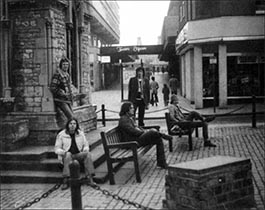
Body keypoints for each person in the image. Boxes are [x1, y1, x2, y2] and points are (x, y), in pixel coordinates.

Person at [118, 102, 173, 169]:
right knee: (152, 131)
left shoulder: (129, 118)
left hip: (136, 139)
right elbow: (132, 131)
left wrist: (145, 132)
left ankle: (161, 163)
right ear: (126, 109)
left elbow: (137, 128)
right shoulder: (123, 119)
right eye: (131, 108)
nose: (133, 109)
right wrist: (144, 133)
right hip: (132, 142)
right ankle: (163, 135)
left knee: (158, 139)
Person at [55, 118, 95, 190]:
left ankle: (90, 178)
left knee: (88, 154)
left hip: (77, 154)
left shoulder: (80, 133)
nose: (72, 125)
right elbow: (56, 149)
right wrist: (63, 152)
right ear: (67, 125)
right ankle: (66, 180)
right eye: (70, 124)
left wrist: (85, 149)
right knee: (68, 155)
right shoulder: (61, 134)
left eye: (74, 124)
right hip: (66, 156)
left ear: (76, 125)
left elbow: (86, 144)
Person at [50, 57, 74, 126]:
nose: (65, 66)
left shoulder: (67, 75)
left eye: (67, 64)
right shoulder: (58, 75)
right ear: (61, 65)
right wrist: (61, 93)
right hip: (60, 100)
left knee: (72, 118)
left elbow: (69, 87)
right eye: (64, 64)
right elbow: (53, 87)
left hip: (67, 99)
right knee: (71, 117)